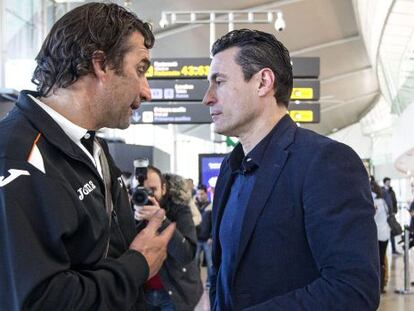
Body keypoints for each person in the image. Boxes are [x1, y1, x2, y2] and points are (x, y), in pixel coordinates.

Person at [0, 3, 175, 310]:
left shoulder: (92, 146)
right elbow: (40, 301)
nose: (147, 91)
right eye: (140, 69)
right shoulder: (17, 158)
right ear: (101, 64)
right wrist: (137, 264)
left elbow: (97, 252)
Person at [202, 29, 380, 310]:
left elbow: (352, 289)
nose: (207, 98)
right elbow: (224, 273)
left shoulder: (326, 162)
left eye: (219, 82)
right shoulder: (230, 168)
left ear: (263, 82)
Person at [135, 166, 203, 310]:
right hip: (143, 295)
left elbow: (186, 254)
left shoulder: (179, 210)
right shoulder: (129, 212)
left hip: (174, 294)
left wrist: (161, 220)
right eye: (140, 191)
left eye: (152, 190)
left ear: (163, 189)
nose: (148, 196)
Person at [371, 178, 391, 293]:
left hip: (378, 234)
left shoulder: (374, 203)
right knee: (382, 259)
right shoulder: (383, 201)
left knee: (378, 261)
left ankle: (379, 285)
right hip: (385, 233)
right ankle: (382, 284)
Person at [195, 184, 213, 288]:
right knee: (195, 262)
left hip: (207, 240)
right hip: (196, 239)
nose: (200, 196)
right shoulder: (194, 206)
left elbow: (214, 222)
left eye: (202, 193)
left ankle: (209, 282)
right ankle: (197, 284)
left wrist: (211, 236)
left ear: (206, 193)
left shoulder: (211, 206)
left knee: (210, 263)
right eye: (198, 194)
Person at [382, 177, 401, 255]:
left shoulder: (392, 191)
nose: (389, 183)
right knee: (385, 232)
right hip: (384, 215)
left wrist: (395, 211)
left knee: (393, 231)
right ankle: (383, 251)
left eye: (389, 181)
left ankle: (393, 249)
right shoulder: (381, 191)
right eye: (387, 182)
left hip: (391, 214)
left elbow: (395, 202)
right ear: (384, 182)